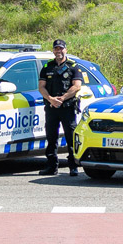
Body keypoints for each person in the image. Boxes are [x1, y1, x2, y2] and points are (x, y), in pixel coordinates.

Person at [37, 39, 84, 176]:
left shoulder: (73, 66)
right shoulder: (47, 67)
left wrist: (62, 98)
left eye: (61, 49)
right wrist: (51, 99)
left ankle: (73, 166)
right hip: (51, 107)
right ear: (53, 51)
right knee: (51, 137)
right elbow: (41, 87)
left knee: (70, 138)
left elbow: (77, 86)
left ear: (65, 50)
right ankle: (51, 166)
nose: (59, 51)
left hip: (67, 107)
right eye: (56, 49)